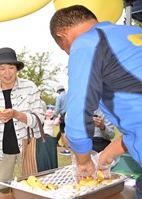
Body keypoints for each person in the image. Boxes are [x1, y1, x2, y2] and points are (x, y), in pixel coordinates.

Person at [50, 5, 142, 196]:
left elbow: (79, 112)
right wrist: (106, 156)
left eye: (65, 50)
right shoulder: (134, 32)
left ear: (63, 36)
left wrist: (83, 163)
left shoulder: (87, 42)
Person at [0, 47, 45, 196]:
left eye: (11, 67)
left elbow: (39, 119)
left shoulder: (30, 87)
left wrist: (17, 114)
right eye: (2, 68)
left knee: (33, 189)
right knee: (0, 190)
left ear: (17, 69)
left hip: (28, 147)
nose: (7, 72)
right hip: (1, 149)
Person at [53, 85, 69, 156]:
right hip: (72, 114)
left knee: (63, 132)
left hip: (64, 115)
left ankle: (67, 150)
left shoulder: (59, 97)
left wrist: (54, 115)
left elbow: (57, 109)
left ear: (58, 91)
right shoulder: (69, 95)